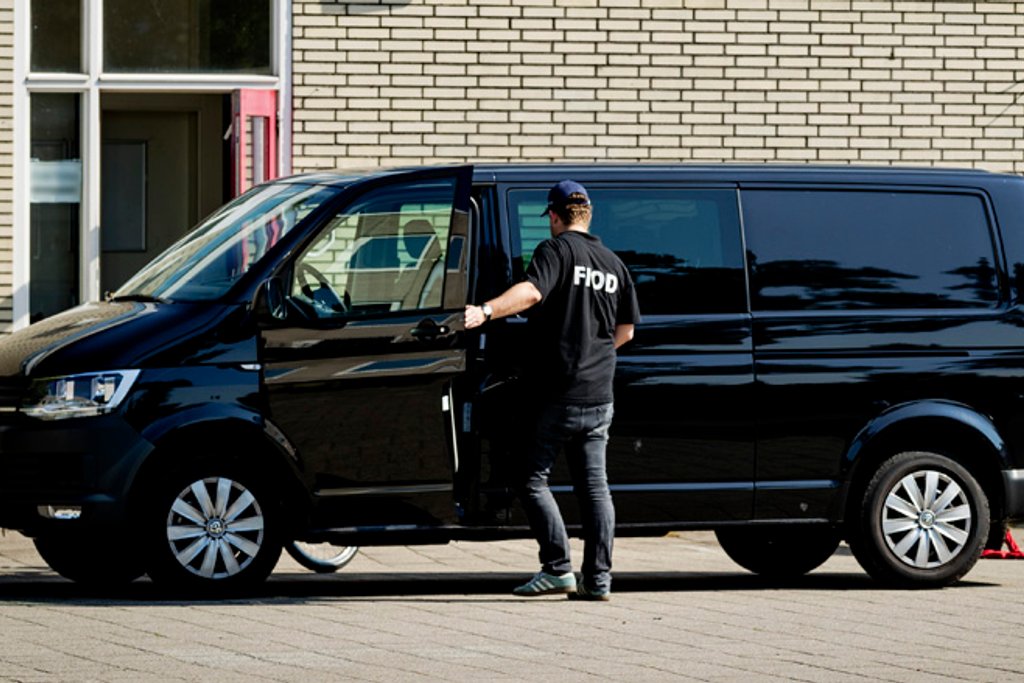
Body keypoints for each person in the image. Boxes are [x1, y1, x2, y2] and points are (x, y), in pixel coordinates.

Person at [464, 179, 640, 601]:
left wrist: (485, 310)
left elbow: (531, 292)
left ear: (556, 216)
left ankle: (558, 568)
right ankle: (598, 580)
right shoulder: (614, 264)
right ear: (588, 214)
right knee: (595, 488)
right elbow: (626, 331)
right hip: (600, 394)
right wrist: (594, 356)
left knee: (529, 478)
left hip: (557, 392)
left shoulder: (556, 250)